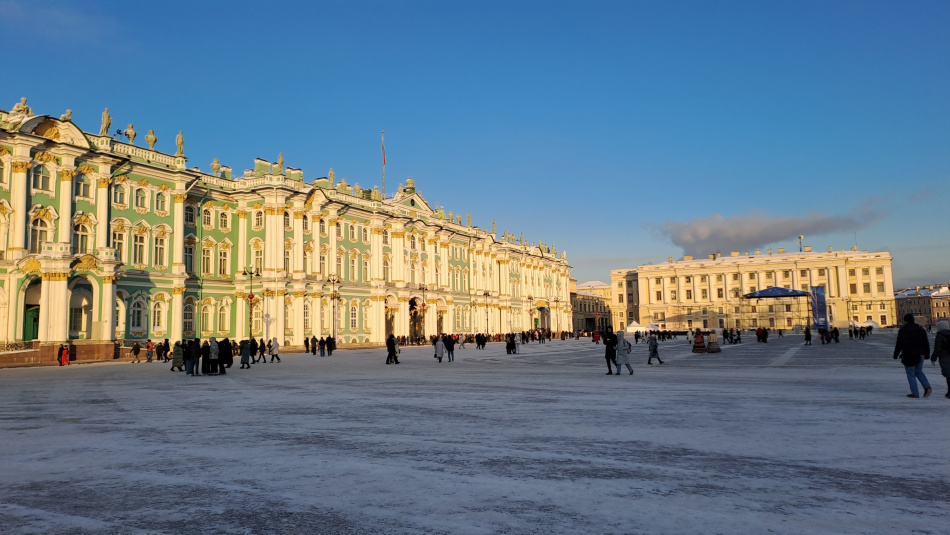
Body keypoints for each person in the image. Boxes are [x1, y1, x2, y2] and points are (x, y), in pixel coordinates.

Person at [893, 313, 932, 398]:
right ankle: (927, 386)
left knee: (911, 374)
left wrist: (896, 354)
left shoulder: (903, 330)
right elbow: (926, 342)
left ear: (905, 321)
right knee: (919, 371)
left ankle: (915, 393)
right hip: (920, 353)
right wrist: (927, 354)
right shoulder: (920, 329)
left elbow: (899, 343)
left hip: (908, 354)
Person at [930, 320, 950, 399]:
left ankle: (949, 392)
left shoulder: (939, 336)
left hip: (944, 356)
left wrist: (933, 358)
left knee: (948, 375)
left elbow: (937, 348)